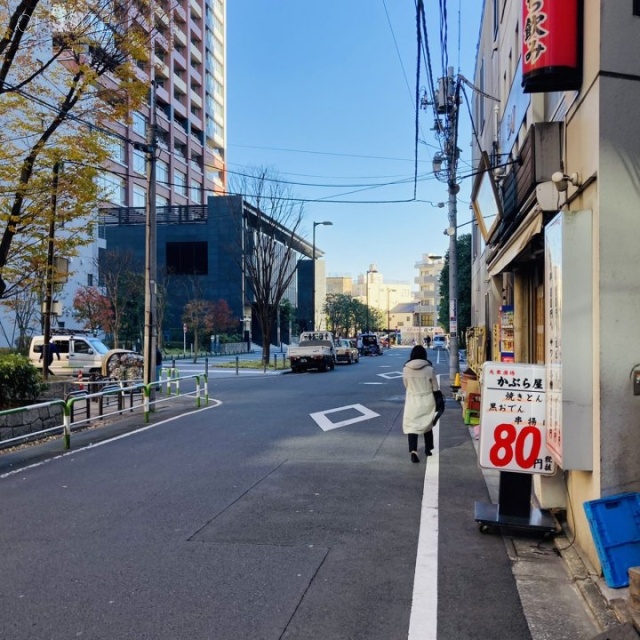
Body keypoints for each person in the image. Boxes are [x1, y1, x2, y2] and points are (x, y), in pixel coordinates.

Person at [402, 344, 439, 463]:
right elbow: (435, 387)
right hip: (427, 400)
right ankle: (428, 449)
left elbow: (406, 385)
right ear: (424, 355)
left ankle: (413, 451)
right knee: (427, 425)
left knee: (412, 426)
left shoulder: (406, 369)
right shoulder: (430, 369)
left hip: (412, 400)